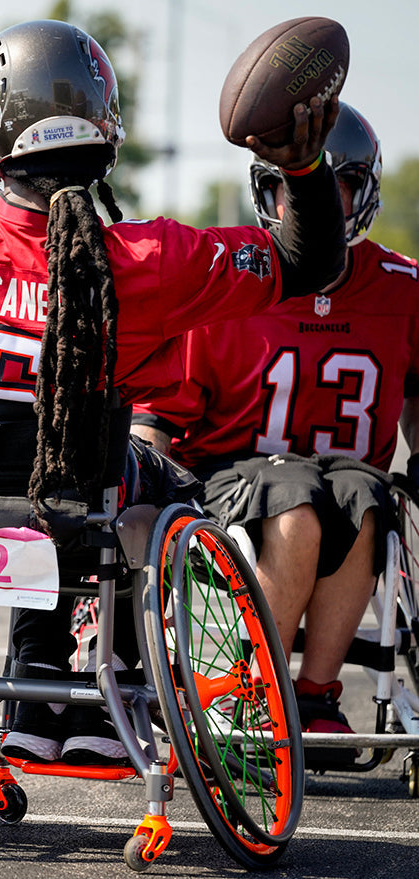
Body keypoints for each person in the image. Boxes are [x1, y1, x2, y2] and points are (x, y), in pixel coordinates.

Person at [0, 19, 346, 766]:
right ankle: (117, 674)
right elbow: (309, 260)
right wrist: (305, 165)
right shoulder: (152, 260)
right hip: (74, 499)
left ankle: (33, 670)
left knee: (59, 472)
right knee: (140, 480)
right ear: (106, 128)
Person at [131, 103, 419, 768]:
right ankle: (249, 692)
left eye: (336, 187)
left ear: (365, 194)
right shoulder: (230, 279)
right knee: (296, 494)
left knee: (364, 493)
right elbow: (161, 414)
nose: (311, 204)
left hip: (344, 484)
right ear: (267, 190)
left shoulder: (403, 288)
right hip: (231, 478)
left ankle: (315, 695)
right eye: (293, 187)